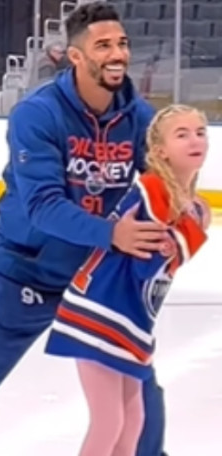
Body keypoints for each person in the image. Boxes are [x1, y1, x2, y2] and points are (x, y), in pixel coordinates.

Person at [0, 1, 170, 456]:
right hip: (25, 274)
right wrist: (112, 234)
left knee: (139, 391)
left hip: (97, 281)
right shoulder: (37, 114)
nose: (117, 54)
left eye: (121, 43)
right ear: (75, 56)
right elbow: (44, 206)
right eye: (103, 45)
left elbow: (160, 189)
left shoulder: (141, 119)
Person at [44, 104, 210, 456]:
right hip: (100, 312)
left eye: (200, 132)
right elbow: (147, 263)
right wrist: (192, 232)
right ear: (161, 151)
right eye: (182, 134)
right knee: (109, 421)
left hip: (128, 316)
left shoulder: (179, 199)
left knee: (132, 419)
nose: (195, 140)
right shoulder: (155, 191)